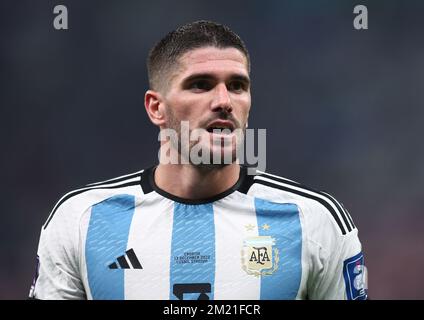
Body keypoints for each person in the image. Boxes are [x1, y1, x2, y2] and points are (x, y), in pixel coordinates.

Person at [29, 20, 367, 300]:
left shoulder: (316, 222)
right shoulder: (80, 220)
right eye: (200, 85)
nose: (224, 101)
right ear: (156, 107)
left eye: (237, 86)